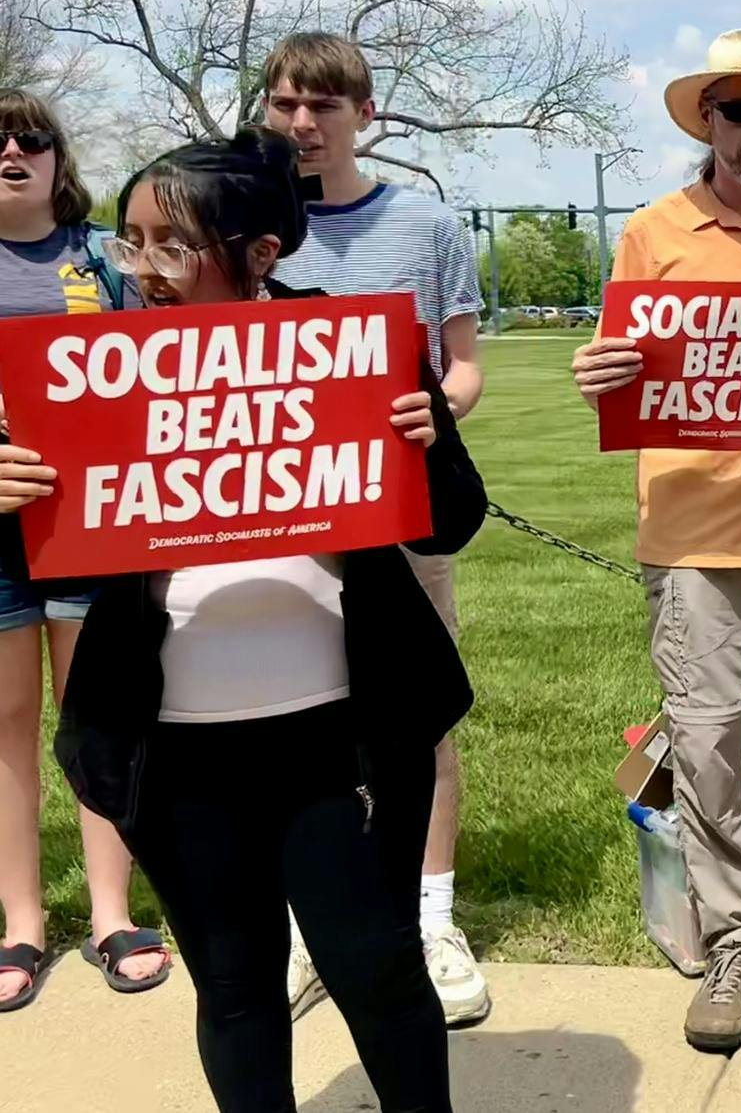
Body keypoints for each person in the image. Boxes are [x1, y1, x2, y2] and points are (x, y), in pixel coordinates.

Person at [38, 129, 485, 1113]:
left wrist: (424, 445)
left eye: (171, 245)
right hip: (175, 752)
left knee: (378, 971)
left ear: (260, 254)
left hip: (342, 741)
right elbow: (59, 542)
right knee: (235, 987)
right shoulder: (91, 374)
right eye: (129, 241)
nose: (142, 268)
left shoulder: (354, 349)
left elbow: (453, 520)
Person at [569, 27, 741, 1052]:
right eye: (739, 111)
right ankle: (735, 933)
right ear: (707, 121)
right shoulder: (655, 231)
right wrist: (600, 376)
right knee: (709, 734)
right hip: (696, 524)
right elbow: (628, 365)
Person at [257, 31, 491, 1027]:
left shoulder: (425, 225)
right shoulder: (244, 220)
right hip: (271, 526)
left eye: (323, 105)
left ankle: (429, 915)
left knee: (417, 716)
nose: (304, 123)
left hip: (395, 516)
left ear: (365, 113)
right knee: (287, 726)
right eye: (286, 104)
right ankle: (311, 927)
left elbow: (464, 367)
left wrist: (434, 412)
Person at [0, 89, 171, 1012]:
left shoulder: (106, 258)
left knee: (95, 716)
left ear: (59, 160)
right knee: (5, 723)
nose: (12, 152)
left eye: (32, 138)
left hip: (88, 519)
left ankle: (112, 913)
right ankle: (20, 922)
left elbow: (159, 372)